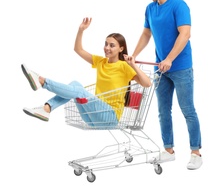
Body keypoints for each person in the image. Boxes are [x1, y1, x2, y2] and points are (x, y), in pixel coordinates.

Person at [21, 17, 152, 128]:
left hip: (110, 117)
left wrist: (133, 65)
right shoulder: (101, 62)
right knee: (75, 84)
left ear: (120, 49)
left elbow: (147, 84)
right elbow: (78, 49)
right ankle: (47, 108)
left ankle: (42, 82)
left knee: (79, 91)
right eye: (106, 44)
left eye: (112, 45)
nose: (107, 48)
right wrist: (81, 30)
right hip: (93, 116)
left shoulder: (124, 66)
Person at [132, 0, 202, 170]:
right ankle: (169, 150)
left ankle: (196, 152)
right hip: (161, 69)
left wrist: (170, 59)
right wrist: (134, 55)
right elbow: (146, 34)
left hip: (181, 68)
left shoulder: (179, 5)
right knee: (163, 111)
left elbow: (185, 34)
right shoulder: (150, 8)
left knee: (188, 110)